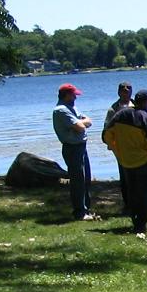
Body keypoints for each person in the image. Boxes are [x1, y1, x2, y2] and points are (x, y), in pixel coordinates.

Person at [103, 88, 147, 238]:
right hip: (143, 161)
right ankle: (141, 224)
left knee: (132, 192)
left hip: (125, 161)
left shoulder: (120, 115)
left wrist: (117, 150)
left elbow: (106, 135)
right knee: (145, 193)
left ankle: (135, 219)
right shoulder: (145, 118)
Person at [52, 83, 95, 220]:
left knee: (85, 179)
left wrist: (82, 123)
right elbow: (80, 127)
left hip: (81, 147)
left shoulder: (71, 108)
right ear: (66, 95)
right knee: (78, 181)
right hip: (72, 148)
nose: (76, 97)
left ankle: (86, 209)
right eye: (73, 95)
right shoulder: (61, 110)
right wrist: (81, 123)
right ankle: (79, 212)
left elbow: (89, 121)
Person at [102, 81, 133, 214]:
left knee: (137, 177)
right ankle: (127, 205)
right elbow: (107, 130)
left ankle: (139, 204)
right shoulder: (113, 109)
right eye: (123, 90)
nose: (126, 91)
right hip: (121, 148)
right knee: (125, 176)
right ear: (119, 92)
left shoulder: (137, 106)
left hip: (136, 146)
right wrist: (113, 146)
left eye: (128, 89)